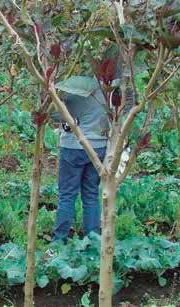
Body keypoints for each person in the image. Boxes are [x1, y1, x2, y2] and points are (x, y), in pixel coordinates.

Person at [49, 76, 109, 241]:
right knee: (90, 194)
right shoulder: (106, 89)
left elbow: (55, 114)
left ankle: (59, 240)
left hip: (73, 146)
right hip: (98, 147)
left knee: (67, 195)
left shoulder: (73, 87)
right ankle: (92, 239)